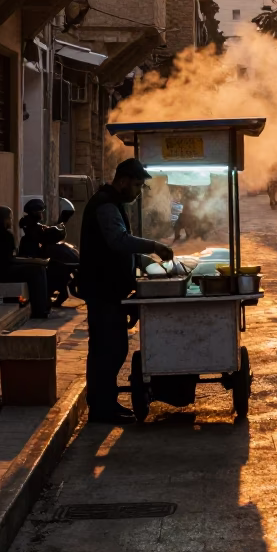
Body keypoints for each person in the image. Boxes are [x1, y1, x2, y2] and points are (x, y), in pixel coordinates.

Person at [79, 158, 173, 424]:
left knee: (111, 348)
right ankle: (101, 408)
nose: (138, 191)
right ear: (122, 181)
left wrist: (145, 262)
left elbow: (121, 250)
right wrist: (154, 247)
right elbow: (118, 241)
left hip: (109, 290)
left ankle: (105, 404)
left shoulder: (113, 204)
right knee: (107, 349)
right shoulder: (106, 206)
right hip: (103, 291)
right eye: (136, 185)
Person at [0, 206, 50, 318]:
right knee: (37, 270)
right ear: (5, 219)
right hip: (0, 273)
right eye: (10, 218)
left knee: (37, 267)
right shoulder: (6, 235)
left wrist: (32, 261)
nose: (11, 221)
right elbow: (11, 260)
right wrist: (34, 261)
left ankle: (42, 307)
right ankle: (40, 310)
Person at [19, 198, 80, 306]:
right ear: (34, 212)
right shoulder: (31, 226)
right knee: (56, 267)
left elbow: (45, 230)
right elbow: (44, 234)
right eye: (40, 212)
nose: (41, 214)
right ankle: (47, 296)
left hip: (38, 256)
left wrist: (57, 227)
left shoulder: (33, 225)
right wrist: (55, 230)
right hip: (34, 258)